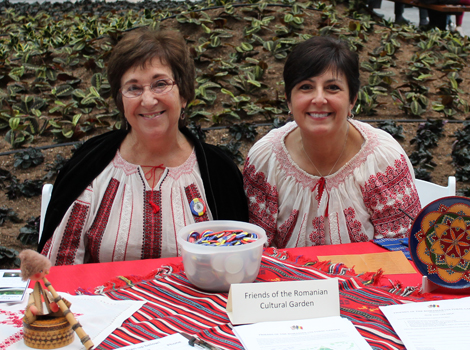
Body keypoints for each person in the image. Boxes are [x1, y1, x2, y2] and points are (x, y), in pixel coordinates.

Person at [39, 26, 248, 265]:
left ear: (183, 94)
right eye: (134, 88)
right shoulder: (91, 167)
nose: (148, 100)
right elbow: (59, 269)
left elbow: (235, 268)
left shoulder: (218, 173)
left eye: (160, 84)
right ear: (121, 100)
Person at [243, 36, 421, 248]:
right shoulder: (266, 159)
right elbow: (255, 251)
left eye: (333, 88)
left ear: (352, 99)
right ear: (288, 100)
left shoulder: (383, 161)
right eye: (306, 87)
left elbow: (404, 252)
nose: (319, 99)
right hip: (286, 280)